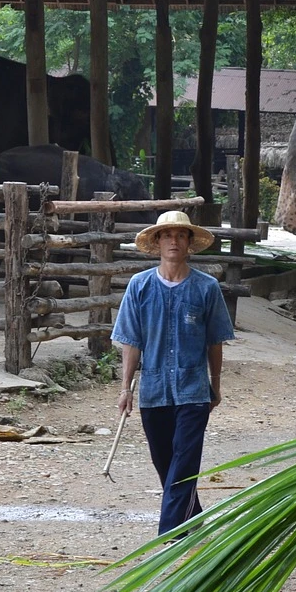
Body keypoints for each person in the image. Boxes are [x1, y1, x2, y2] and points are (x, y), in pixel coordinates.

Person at [111, 210, 235, 537]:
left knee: (184, 462)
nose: (174, 242)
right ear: (157, 242)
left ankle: (170, 537)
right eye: (167, 235)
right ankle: (193, 521)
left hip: (193, 390)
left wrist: (215, 385)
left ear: (190, 244)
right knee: (165, 463)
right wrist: (126, 389)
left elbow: (215, 342)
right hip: (153, 390)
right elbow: (131, 342)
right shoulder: (140, 286)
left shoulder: (206, 288)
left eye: (181, 236)